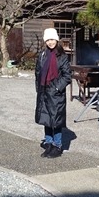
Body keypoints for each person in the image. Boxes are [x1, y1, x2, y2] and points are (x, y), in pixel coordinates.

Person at [35, 27, 72, 158]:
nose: (50, 42)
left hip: (55, 92)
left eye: (52, 39)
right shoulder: (43, 55)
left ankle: (57, 145)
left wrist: (57, 88)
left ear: (56, 40)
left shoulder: (62, 56)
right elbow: (38, 73)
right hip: (44, 91)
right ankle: (49, 143)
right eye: (48, 40)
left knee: (56, 120)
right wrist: (38, 89)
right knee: (46, 119)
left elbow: (67, 76)